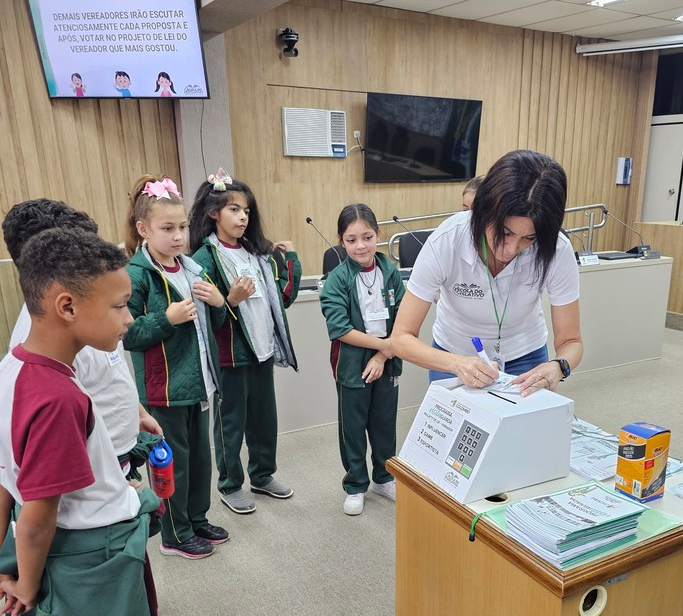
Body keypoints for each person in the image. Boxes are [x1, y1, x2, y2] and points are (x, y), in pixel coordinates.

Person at [0, 227, 160, 616]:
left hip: (53, 553)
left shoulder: (9, 369)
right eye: (119, 306)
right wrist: (27, 583)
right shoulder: (58, 398)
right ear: (66, 306)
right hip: (89, 563)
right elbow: (39, 515)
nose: (129, 319)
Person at [391, 149, 583, 398]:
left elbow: (571, 342)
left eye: (529, 238)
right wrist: (456, 364)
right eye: (505, 232)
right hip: (454, 356)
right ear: (484, 211)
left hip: (526, 359)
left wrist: (558, 366)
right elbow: (401, 338)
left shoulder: (556, 248)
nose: (510, 249)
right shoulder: (447, 240)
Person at [124, 175, 229, 559]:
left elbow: (213, 325)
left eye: (182, 227)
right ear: (143, 229)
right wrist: (166, 319)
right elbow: (127, 333)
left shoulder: (193, 268)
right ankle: (174, 533)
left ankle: (196, 519)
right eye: (167, 228)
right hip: (164, 389)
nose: (179, 236)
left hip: (199, 383)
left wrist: (219, 303)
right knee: (173, 464)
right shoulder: (136, 274)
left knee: (200, 461)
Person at [190, 169, 300, 513]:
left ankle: (262, 475)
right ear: (213, 213)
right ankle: (230, 484)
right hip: (230, 357)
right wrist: (231, 300)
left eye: (246, 211)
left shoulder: (256, 253)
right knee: (230, 425)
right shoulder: (204, 258)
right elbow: (204, 318)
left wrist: (291, 259)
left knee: (265, 420)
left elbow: (282, 299)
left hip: (261, 352)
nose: (242, 217)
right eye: (234, 209)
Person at [319, 204, 404, 515]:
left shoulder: (391, 272)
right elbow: (340, 328)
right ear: (341, 241)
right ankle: (355, 484)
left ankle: (384, 477)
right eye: (351, 240)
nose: (361, 246)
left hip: (389, 358)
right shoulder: (337, 279)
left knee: (385, 423)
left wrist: (382, 354)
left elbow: (404, 319)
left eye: (367, 237)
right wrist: (383, 346)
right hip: (352, 362)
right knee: (353, 427)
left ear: (378, 235)